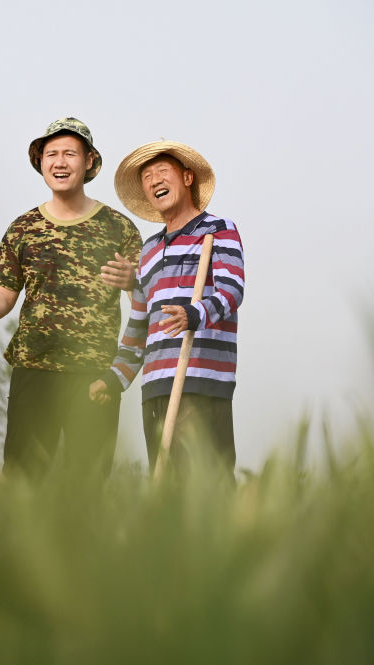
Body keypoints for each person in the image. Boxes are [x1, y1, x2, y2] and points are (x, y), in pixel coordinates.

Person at [0, 117, 142, 480]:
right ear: (41, 162)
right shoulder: (23, 228)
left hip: (95, 375)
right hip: (34, 370)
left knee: (87, 483)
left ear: (89, 161)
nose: (60, 162)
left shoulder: (119, 228)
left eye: (70, 154)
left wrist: (132, 281)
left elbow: (144, 301)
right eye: (51, 154)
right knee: (23, 480)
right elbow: (3, 298)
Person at [89, 140, 244, 473]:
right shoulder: (149, 250)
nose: (154, 180)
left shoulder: (218, 231)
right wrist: (114, 377)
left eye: (162, 171)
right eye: (147, 177)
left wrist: (194, 314)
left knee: (207, 489)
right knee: (169, 499)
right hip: (156, 387)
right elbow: (140, 326)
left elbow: (232, 291)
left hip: (201, 380)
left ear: (187, 178)